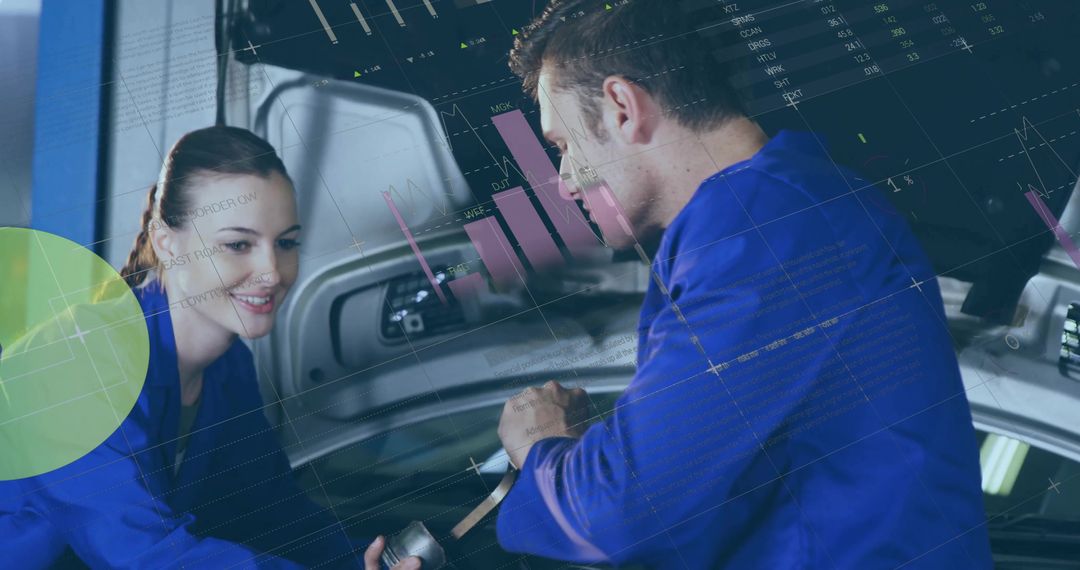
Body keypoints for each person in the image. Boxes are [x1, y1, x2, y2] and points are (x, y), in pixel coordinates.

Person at [494, 2, 994, 568]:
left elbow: (621, 512)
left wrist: (540, 444)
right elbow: (707, 507)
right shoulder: (775, 216)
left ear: (622, 107)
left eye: (563, 146)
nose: (563, 184)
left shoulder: (768, 233)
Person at [0, 126, 418, 569]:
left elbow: (274, 511)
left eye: (286, 243)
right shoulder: (74, 362)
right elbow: (147, 554)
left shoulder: (228, 366)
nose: (271, 271)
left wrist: (373, 560)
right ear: (167, 241)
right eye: (238, 244)